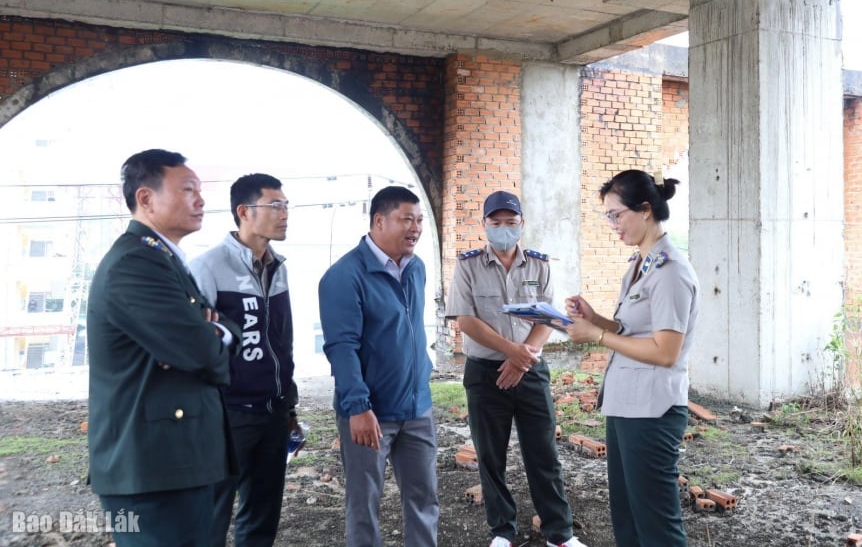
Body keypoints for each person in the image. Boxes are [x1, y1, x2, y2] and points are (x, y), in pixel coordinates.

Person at [86, 149, 239, 547]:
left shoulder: (164, 258)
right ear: (146, 198)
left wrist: (214, 333)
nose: (201, 200)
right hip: (153, 470)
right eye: (188, 190)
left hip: (178, 462)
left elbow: (217, 332)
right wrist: (208, 337)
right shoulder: (136, 262)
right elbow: (201, 351)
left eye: (200, 190)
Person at [563, 169, 699, 547]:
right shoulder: (640, 264)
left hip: (652, 411)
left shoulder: (670, 271)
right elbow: (633, 330)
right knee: (628, 519)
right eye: (607, 216)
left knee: (656, 526)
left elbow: (666, 351)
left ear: (645, 210)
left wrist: (598, 335)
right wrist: (596, 320)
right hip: (626, 405)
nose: (612, 225)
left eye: (616, 215)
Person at [446, 190, 588, 547]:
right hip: (484, 373)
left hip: (530, 371)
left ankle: (560, 533)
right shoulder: (468, 266)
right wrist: (512, 352)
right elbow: (465, 320)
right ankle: (501, 532)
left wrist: (522, 359)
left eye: (511, 223)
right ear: (485, 226)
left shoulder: (539, 264)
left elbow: (549, 318)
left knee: (543, 454)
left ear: (522, 224)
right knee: (491, 457)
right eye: (496, 223)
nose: (504, 229)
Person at [318, 185, 438, 547]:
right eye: (406, 219)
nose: (415, 227)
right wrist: (358, 407)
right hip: (370, 413)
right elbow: (341, 348)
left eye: (419, 220)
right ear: (379, 221)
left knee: (424, 498)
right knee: (364, 502)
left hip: (417, 408)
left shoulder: (415, 268)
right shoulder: (343, 276)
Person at [190, 173, 299, 547]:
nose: (285, 214)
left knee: (262, 517)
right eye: (275, 205)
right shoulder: (208, 267)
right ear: (244, 212)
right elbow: (195, 345)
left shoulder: (278, 267)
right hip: (227, 416)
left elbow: (282, 342)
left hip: (272, 412)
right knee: (211, 516)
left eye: (286, 206)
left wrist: (289, 404)